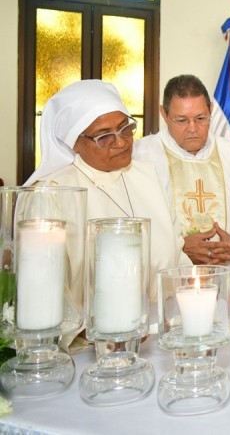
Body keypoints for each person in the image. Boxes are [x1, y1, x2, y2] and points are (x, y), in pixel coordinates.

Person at [25, 79, 189, 343]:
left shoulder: (147, 175)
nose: (121, 143)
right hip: (91, 346)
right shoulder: (52, 194)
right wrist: (98, 329)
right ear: (74, 142)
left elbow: (176, 253)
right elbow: (41, 288)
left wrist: (201, 288)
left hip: (161, 331)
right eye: (104, 137)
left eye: (125, 129)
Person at [134, 74, 230, 304]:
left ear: (211, 110)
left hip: (226, 286)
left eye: (200, 118)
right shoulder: (140, 158)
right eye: (181, 120)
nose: (193, 128)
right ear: (163, 114)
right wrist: (179, 248)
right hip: (166, 293)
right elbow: (133, 227)